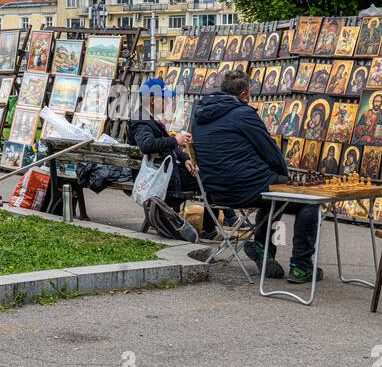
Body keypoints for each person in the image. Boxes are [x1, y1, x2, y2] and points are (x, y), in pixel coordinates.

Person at [192, 70, 320, 284]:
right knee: (307, 201)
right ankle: (301, 266)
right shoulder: (244, 113)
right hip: (246, 189)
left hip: (215, 194)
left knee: (273, 196)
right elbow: (271, 152)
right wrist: (283, 177)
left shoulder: (199, 115)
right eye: (249, 95)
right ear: (243, 95)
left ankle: (262, 249)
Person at [129, 78, 213, 238]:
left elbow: (169, 147)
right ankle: (210, 229)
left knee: (205, 173)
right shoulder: (141, 118)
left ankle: (212, 226)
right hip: (159, 176)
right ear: (153, 100)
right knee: (209, 177)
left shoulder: (148, 117)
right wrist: (176, 139)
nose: (168, 101)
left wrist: (185, 158)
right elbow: (147, 144)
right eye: (165, 97)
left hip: (164, 171)